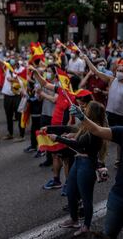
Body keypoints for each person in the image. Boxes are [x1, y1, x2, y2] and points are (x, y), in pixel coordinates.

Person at [47, 102, 106, 236]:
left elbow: (79, 144)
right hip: (79, 161)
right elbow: (71, 129)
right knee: (70, 191)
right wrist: (51, 128)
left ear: (92, 113)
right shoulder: (86, 125)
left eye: (87, 108)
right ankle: (74, 220)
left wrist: (58, 138)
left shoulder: (95, 129)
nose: (84, 109)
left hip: (87, 165)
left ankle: (86, 226)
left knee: (86, 198)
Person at [68, 104, 123, 239]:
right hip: (120, 195)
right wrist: (81, 116)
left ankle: (85, 224)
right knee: (108, 234)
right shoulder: (122, 131)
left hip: (117, 196)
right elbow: (97, 130)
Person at [83, 56, 123, 168]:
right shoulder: (111, 80)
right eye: (118, 70)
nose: (119, 73)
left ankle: (119, 160)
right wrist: (87, 59)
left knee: (120, 140)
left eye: (122, 71)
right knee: (102, 136)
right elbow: (95, 71)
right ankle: (101, 159)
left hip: (121, 116)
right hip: (109, 114)